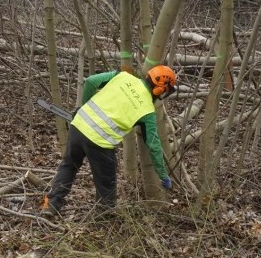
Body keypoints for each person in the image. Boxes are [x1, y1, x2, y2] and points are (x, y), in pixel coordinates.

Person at [43, 65, 177, 218]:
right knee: (106, 187)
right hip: (100, 143)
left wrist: (82, 107)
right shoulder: (147, 111)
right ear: (160, 89)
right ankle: (103, 225)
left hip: (78, 126)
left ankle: (48, 206)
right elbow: (154, 146)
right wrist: (163, 175)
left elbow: (91, 81)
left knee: (67, 167)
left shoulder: (123, 76)